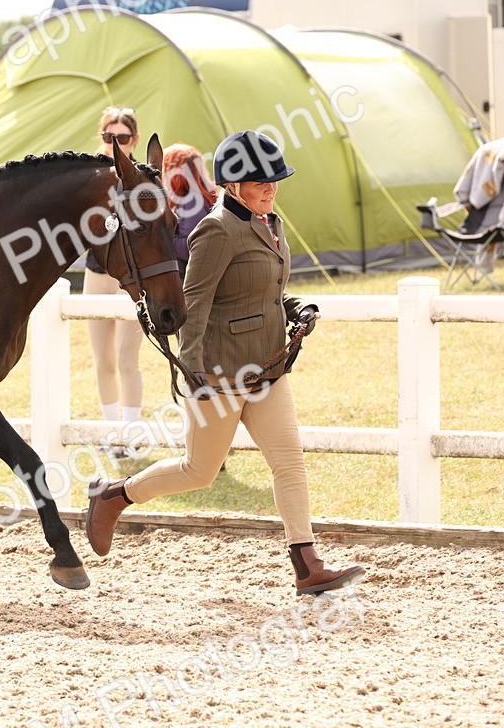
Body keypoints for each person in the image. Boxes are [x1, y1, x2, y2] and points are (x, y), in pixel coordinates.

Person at [86, 130, 365, 596]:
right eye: (261, 182)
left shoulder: (270, 223)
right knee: (199, 471)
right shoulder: (215, 231)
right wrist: (191, 373)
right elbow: (194, 305)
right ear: (234, 185)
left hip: (269, 370)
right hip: (221, 373)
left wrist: (297, 309)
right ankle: (113, 496)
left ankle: (307, 564)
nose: (271, 189)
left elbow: (268, 289)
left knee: (290, 464)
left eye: (275, 181)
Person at [84, 107, 145, 458]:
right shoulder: (92, 176)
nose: (115, 143)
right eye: (109, 137)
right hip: (96, 273)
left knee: (127, 360)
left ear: (134, 139)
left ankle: (131, 435)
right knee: (102, 359)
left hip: (130, 280)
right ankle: (111, 435)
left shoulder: (142, 177)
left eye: (122, 137)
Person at [160, 143, 218, 280]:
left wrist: (164, 238)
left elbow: (192, 248)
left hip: (188, 282)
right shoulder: (198, 199)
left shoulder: (192, 203)